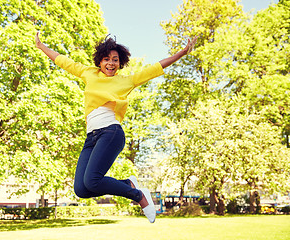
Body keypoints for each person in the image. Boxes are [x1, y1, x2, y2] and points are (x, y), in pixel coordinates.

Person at [35, 32, 197, 223]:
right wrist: (41, 46)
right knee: (82, 189)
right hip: (91, 138)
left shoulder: (126, 81)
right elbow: (63, 60)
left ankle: (139, 196)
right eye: (106, 59)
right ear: (99, 61)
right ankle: (128, 184)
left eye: (115, 60)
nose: (111, 63)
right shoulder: (89, 73)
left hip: (110, 132)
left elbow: (155, 68)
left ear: (120, 63)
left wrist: (183, 52)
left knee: (93, 180)